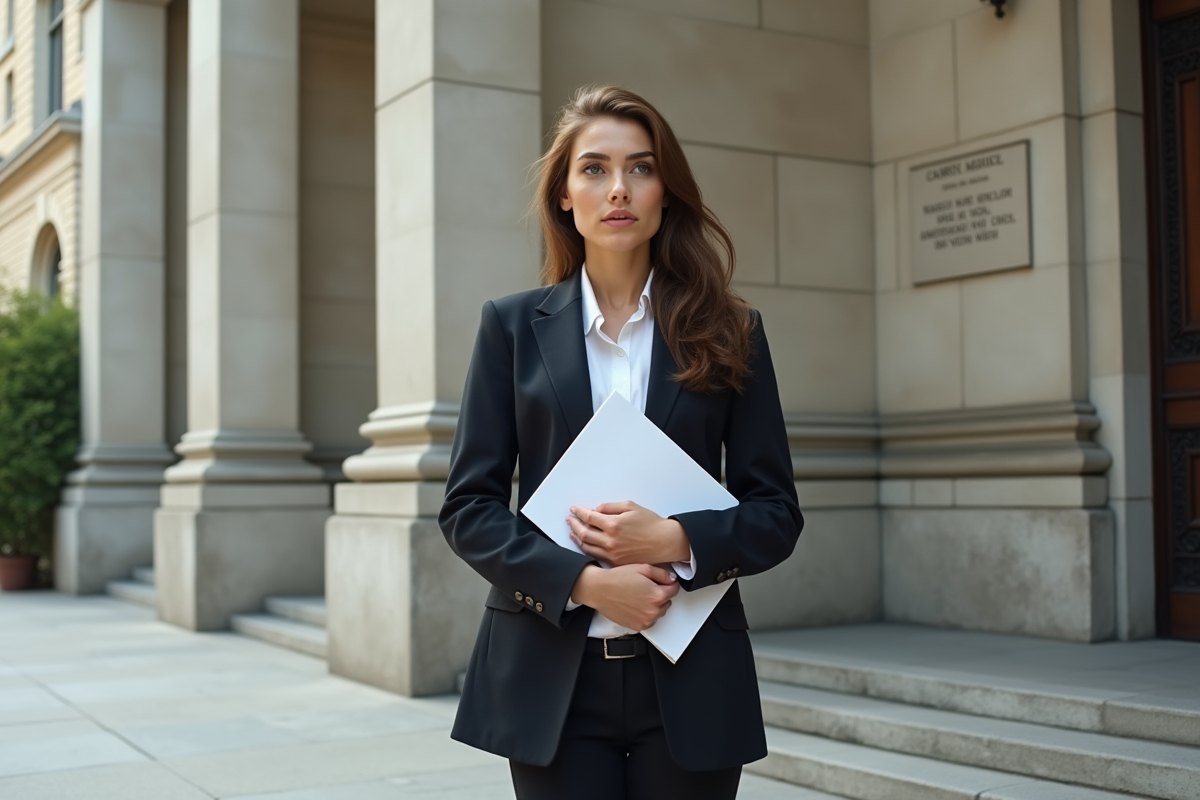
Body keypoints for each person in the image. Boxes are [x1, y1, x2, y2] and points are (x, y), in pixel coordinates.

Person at [439, 85, 803, 800]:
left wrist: (672, 539)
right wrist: (584, 582)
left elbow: (776, 514)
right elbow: (468, 508)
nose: (618, 189)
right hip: (550, 680)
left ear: (666, 192)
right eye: (595, 169)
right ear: (564, 197)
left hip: (693, 676)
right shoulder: (510, 329)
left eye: (640, 168)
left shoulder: (731, 330)